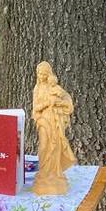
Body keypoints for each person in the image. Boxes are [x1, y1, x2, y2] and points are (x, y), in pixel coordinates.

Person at [31, 61, 77, 195]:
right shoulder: (37, 89)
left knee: (55, 145)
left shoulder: (55, 88)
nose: (41, 76)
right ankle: (44, 172)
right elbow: (35, 108)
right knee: (44, 146)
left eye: (44, 74)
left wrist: (58, 102)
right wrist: (47, 103)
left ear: (48, 75)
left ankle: (54, 173)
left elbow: (68, 104)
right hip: (43, 121)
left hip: (55, 121)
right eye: (39, 74)